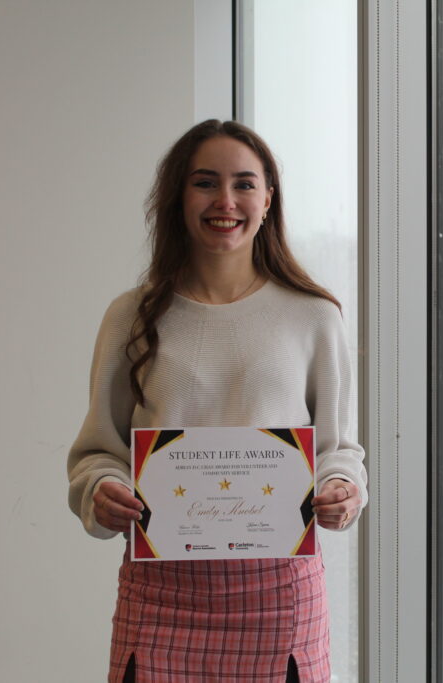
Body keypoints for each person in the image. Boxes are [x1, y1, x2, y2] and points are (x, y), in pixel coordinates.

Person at [68, 119, 368, 683]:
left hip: (279, 594)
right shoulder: (130, 316)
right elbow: (99, 452)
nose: (225, 201)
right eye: (205, 182)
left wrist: (342, 489)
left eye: (244, 184)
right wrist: (101, 490)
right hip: (160, 596)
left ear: (268, 198)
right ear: (178, 197)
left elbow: (336, 449)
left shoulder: (314, 316)